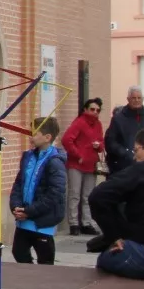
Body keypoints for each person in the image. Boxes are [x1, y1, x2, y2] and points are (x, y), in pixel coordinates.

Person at [88, 126, 144, 279]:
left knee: (106, 257)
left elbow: (98, 196)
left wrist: (114, 235)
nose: (134, 158)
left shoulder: (142, 170)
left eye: (136, 151)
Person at [8, 118, 67, 265]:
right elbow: (18, 184)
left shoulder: (55, 161)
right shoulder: (28, 157)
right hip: (24, 219)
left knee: (45, 259)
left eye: (35, 133)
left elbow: (55, 193)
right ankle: (29, 277)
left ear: (47, 137)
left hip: (42, 221)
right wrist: (16, 206)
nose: (30, 137)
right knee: (19, 252)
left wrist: (30, 211)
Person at [60, 98, 104, 236]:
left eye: (97, 110)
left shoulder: (98, 125)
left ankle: (86, 222)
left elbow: (102, 143)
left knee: (87, 196)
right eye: (92, 109)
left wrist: (99, 146)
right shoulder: (79, 122)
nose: (95, 112)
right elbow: (66, 139)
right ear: (85, 109)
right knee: (75, 194)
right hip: (76, 164)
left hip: (90, 165)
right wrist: (77, 154)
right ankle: (73, 223)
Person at [104, 87, 144, 175]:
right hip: (124, 166)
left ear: (143, 99)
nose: (136, 100)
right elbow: (110, 142)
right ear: (128, 99)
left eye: (139, 98)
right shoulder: (118, 118)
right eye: (133, 98)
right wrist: (125, 153)